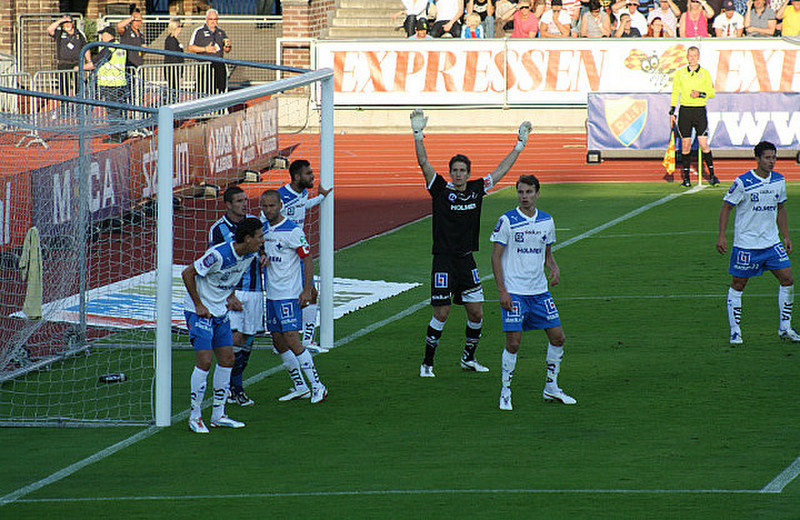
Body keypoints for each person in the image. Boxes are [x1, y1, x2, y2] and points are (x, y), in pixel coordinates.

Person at [410, 108, 532, 377]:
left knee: (476, 313)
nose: (459, 174)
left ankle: (468, 358)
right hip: (443, 260)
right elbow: (423, 163)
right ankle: (427, 363)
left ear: (469, 173)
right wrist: (418, 135)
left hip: (467, 260)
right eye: (455, 170)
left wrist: (519, 146)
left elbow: (500, 171)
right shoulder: (440, 190)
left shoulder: (477, 189)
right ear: (450, 172)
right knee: (441, 314)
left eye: (463, 170)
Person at [491, 175, 576, 410]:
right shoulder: (507, 221)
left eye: (528, 192)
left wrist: (554, 267)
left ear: (537, 193)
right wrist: (502, 291)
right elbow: (495, 256)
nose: (524, 197)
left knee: (558, 337)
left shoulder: (547, 221)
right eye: (520, 192)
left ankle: (551, 387)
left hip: (540, 292)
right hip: (515, 293)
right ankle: (505, 391)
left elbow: (547, 254)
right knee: (514, 343)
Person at [182, 216, 265, 433]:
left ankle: (218, 414)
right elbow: (187, 273)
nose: (262, 240)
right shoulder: (218, 255)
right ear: (247, 238)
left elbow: (231, 278)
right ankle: (195, 415)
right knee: (205, 361)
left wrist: (231, 296)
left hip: (220, 311)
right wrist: (199, 304)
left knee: (227, 358)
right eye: (259, 236)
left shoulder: (249, 255)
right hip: (200, 312)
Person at [716, 141, 800, 345]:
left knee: (788, 280)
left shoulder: (779, 180)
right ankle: (735, 331)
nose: (771, 162)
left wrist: (786, 235)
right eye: (767, 158)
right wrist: (721, 235)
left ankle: (785, 327)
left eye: (774, 158)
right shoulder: (743, 181)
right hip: (747, 245)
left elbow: (781, 208)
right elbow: (727, 206)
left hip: (771, 243)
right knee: (738, 284)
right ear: (757, 159)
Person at [260, 190, 328, 403]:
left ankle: (318, 385)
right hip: (271, 295)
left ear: (280, 205)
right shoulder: (262, 230)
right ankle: (300, 386)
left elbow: (307, 260)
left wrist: (307, 289)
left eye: (272, 206)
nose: (268, 210)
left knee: (292, 339)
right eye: (264, 206)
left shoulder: (292, 230)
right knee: (278, 341)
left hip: (289, 294)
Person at [209, 187, 264, 407]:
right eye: (239, 201)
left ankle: (234, 386)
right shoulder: (218, 229)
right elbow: (216, 264)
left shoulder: (254, 221)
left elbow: (262, 247)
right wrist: (230, 295)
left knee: (248, 339)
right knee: (235, 339)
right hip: (234, 292)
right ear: (228, 205)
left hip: (256, 290)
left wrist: (264, 256)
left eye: (245, 200)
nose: (244, 204)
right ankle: (231, 388)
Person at [271, 159, 332, 353]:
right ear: (297, 177)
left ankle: (306, 340)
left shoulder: (303, 192)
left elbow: (303, 206)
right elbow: (266, 220)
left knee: (310, 292)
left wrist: (321, 198)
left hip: (297, 252)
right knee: (286, 296)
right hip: (282, 255)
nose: (313, 176)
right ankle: (282, 341)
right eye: (308, 173)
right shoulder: (280, 196)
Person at [670, 46, 720, 188]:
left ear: (698, 57)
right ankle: (686, 178)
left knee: (703, 144)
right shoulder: (680, 73)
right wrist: (672, 110)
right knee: (685, 145)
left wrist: (700, 93)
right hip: (685, 111)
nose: (692, 58)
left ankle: (712, 175)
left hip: (699, 111)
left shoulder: (704, 73)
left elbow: (711, 92)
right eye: (689, 55)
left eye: (694, 55)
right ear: (687, 57)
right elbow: (675, 92)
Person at [95, 25, 128, 144]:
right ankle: (122, 133)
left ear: (108, 35)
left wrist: (80, 67)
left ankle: (116, 136)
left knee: (113, 112)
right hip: (120, 83)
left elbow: (97, 62)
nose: (101, 37)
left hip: (110, 85)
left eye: (103, 34)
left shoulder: (110, 47)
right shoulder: (120, 47)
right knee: (119, 110)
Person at [188, 9, 232, 93]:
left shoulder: (221, 32)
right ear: (206, 19)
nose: (213, 21)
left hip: (219, 64)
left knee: (220, 89)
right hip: (205, 66)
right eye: (211, 19)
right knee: (204, 89)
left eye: (215, 19)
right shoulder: (199, 31)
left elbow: (227, 50)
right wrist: (205, 49)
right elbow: (190, 47)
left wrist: (228, 46)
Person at [47, 15, 91, 98]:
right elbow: (50, 30)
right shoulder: (59, 33)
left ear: (73, 23)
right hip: (64, 64)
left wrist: (89, 61)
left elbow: (86, 48)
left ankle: (79, 106)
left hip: (77, 64)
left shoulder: (80, 34)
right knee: (64, 88)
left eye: (69, 22)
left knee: (79, 87)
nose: (67, 24)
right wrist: (60, 20)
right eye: (65, 23)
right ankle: (65, 106)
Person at [116, 8, 147, 106]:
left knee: (139, 90)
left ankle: (138, 110)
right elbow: (119, 26)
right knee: (126, 91)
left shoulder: (141, 36)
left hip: (138, 67)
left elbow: (142, 51)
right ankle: (125, 112)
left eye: (140, 20)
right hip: (128, 66)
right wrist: (131, 18)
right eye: (136, 20)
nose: (138, 23)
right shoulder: (127, 31)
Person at [163, 19, 185, 103]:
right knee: (173, 90)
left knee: (176, 90)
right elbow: (173, 57)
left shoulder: (175, 40)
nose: (181, 29)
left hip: (176, 70)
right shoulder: (170, 40)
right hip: (172, 70)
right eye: (180, 26)